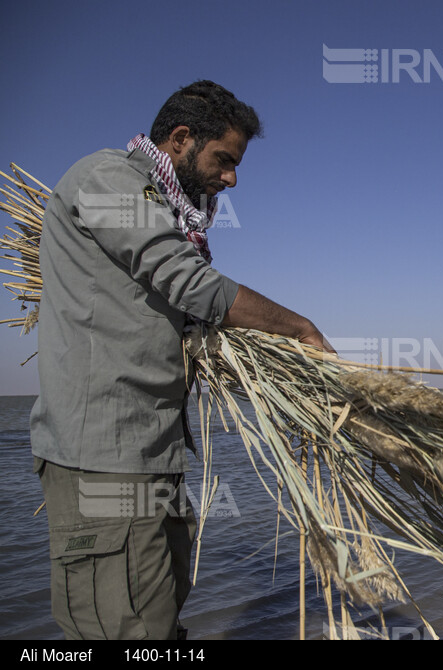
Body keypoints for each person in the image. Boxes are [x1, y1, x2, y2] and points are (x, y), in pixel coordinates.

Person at [30, 80, 335, 640]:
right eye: (224, 160)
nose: (231, 178)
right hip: (103, 456)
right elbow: (187, 281)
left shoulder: (165, 207)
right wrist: (299, 327)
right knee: (126, 631)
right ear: (180, 138)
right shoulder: (108, 181)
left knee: (160, 618)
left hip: (155, 450)